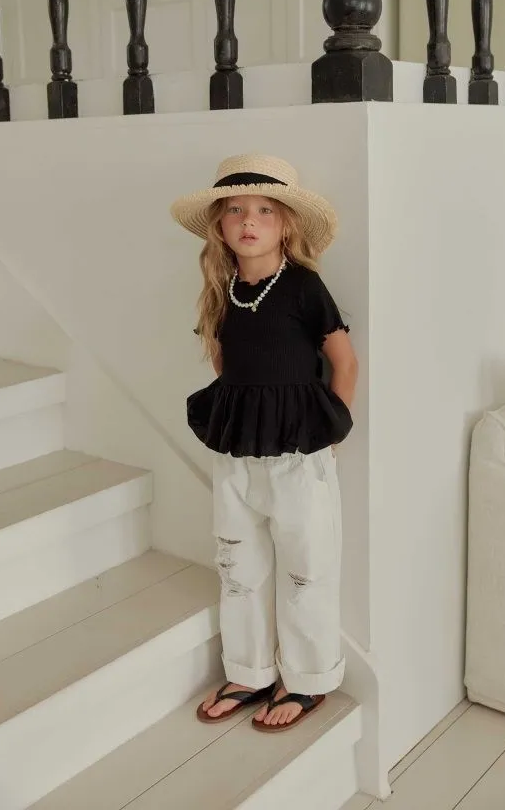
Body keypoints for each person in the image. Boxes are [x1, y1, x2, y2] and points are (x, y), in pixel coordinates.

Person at [170, 153, 358, 733]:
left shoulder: (303, 286)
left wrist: (332, 430)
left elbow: (344, 361)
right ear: (221, 225)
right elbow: (223, 358)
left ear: (285, 224)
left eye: (264, 211)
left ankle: (307, 677)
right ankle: (249, 670)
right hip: (237, 451)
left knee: (306, 567)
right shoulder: (220, 288)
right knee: (237, 561)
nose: (248, 221)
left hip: (299, 452)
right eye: (235, 210)